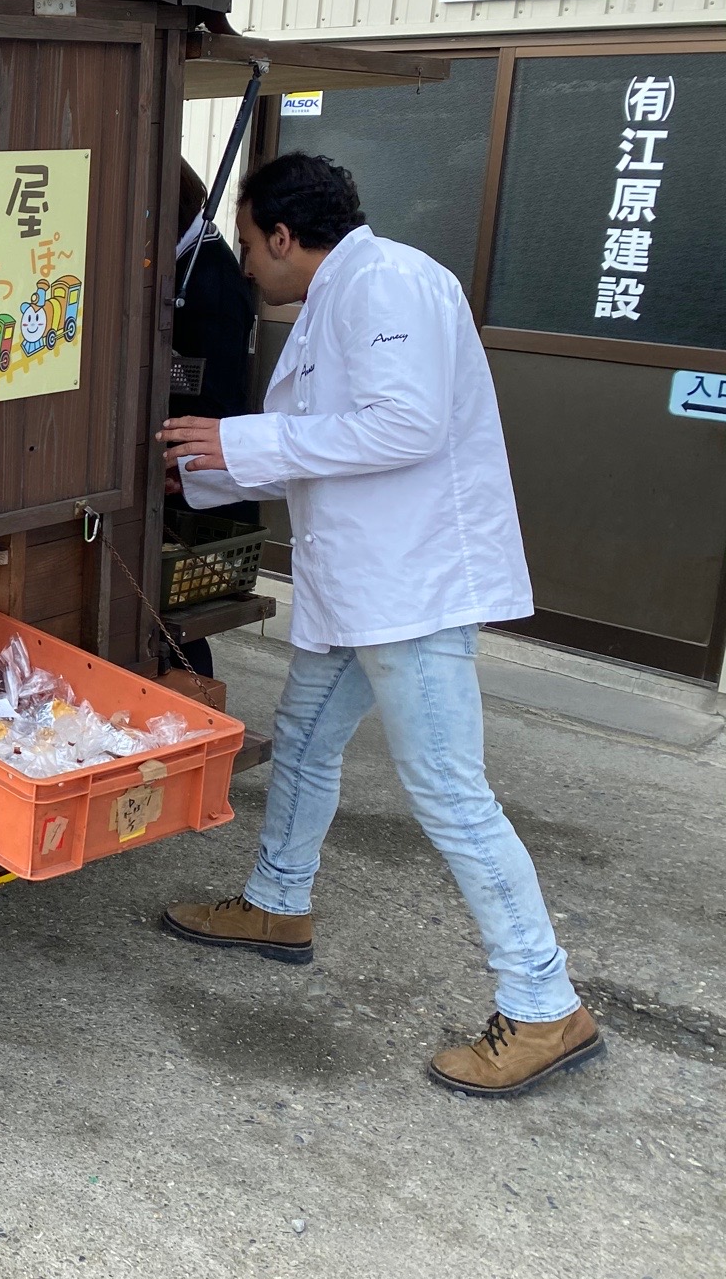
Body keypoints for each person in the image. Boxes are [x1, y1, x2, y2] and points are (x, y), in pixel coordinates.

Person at [156, 151, 602, 1098]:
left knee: (449, 790)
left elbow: (403, 426)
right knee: (310, 743)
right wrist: (205, 468)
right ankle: (278, 905)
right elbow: (330, 444)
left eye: (249, 246)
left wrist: (237, 441)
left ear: (283, 236)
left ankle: (544, 1003)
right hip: (364, 587)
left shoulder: (388, 280)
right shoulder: (337, 298)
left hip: (413, 586)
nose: (247, 268)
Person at [165, 162, 258, 679]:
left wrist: (184, 468)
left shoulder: (212, 281)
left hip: (200, 473)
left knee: (177, 617)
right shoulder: (192, 263)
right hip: (186, 462)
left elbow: (213, 399)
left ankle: (193, 706)